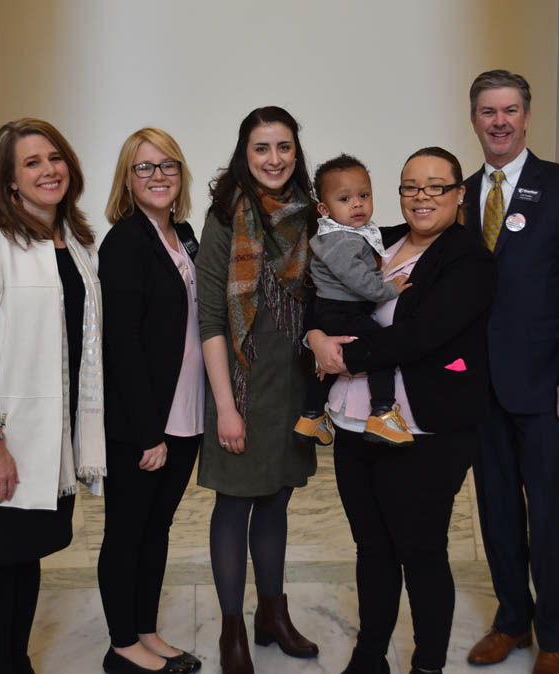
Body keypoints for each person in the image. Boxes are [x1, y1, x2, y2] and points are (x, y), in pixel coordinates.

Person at [308, 147, 496, 674]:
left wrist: (343, 356)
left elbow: (420, 337)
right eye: (411, 186)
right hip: (354, 423)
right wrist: (314, 334)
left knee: (422, 551)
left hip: (424, 432)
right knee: (371, 547)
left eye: (437, 186)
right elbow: (321, 292)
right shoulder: (375, 239)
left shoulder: (469, 260)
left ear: (460, 195)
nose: (422, 196)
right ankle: (370, 656)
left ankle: (428, 664)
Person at [0, 118, 106, 674]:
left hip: (51, 440)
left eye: (54, 157)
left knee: (26, 557)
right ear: (9, 180)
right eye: (32, 163)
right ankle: (1, 667)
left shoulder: (77, 243)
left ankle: (18, 662)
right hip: (3, 439)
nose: (48, 169)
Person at [462, 70, 559, 674]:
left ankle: (555, 635)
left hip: (551, 389)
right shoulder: (460, 193)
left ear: (527, 116)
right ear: (474, 119)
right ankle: (512, 621)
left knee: (551, 517)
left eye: (510, 110)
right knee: (496, 513)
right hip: (479, 389)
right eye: (488, 111)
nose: (500, 121)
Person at [195, 106, 320, 674]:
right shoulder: (225, 217)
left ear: (297, 152)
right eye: (262, 149)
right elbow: (212, 321)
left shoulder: (312, 216)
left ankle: (274, 615)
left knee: (278, 498)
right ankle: (232, 631)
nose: (274, 159)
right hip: (241, 387)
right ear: (244, 155)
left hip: (292, 385)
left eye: (284, 147)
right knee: (236, 504)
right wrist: (225, 407)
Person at [97, 128, 204, 674]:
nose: (158, 176)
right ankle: (122, 647)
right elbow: (124, 344)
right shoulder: (125, 242)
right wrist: (147, 433)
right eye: (145, 168)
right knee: (126, 531)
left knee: (156, 529)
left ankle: (145, 629)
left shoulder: (182, 234)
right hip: (145, 422)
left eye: (168, 165)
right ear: (127, 179)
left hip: (186, 413)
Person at [292, 154, 413, 448]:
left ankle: (310, 416)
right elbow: (360, 281)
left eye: (364, 195)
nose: (357, 203)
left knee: (330, 363)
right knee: (380, 353)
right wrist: (389, 290)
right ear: (324, 208)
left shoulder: (349, 234)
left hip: (333, 310)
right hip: (342, 310)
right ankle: (383, 413)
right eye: (345, 198)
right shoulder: (342, 240)